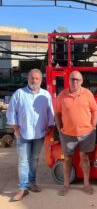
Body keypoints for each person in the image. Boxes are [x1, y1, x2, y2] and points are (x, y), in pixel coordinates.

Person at [6, 69, 54, 201]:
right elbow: (10, 112)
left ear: (41, 80)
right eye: (32, 78)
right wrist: (15, 128)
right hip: (23, 133)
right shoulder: (19, 94)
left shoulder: (46, 95)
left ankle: (32, 182)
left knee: (34, 159)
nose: (34, 80)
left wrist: (50, 126)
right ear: (28, 79)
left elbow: (51, 112)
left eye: (37, 78)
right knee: (23, 161)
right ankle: (23, 188)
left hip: (39, 134)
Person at [55, 71, 97, 196]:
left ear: (81, 81)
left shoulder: (88, 94)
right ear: (68, 80)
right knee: (67, 159)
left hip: (86, 133)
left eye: (77, 80)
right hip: (68, 134)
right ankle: (66, 185)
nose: (74, 82)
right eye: (72, 79)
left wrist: (93, 127)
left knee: (84, 158)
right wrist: (59, 128)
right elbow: (57, 113)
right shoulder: (62, 95)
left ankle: (86, 184)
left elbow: (94, 111)